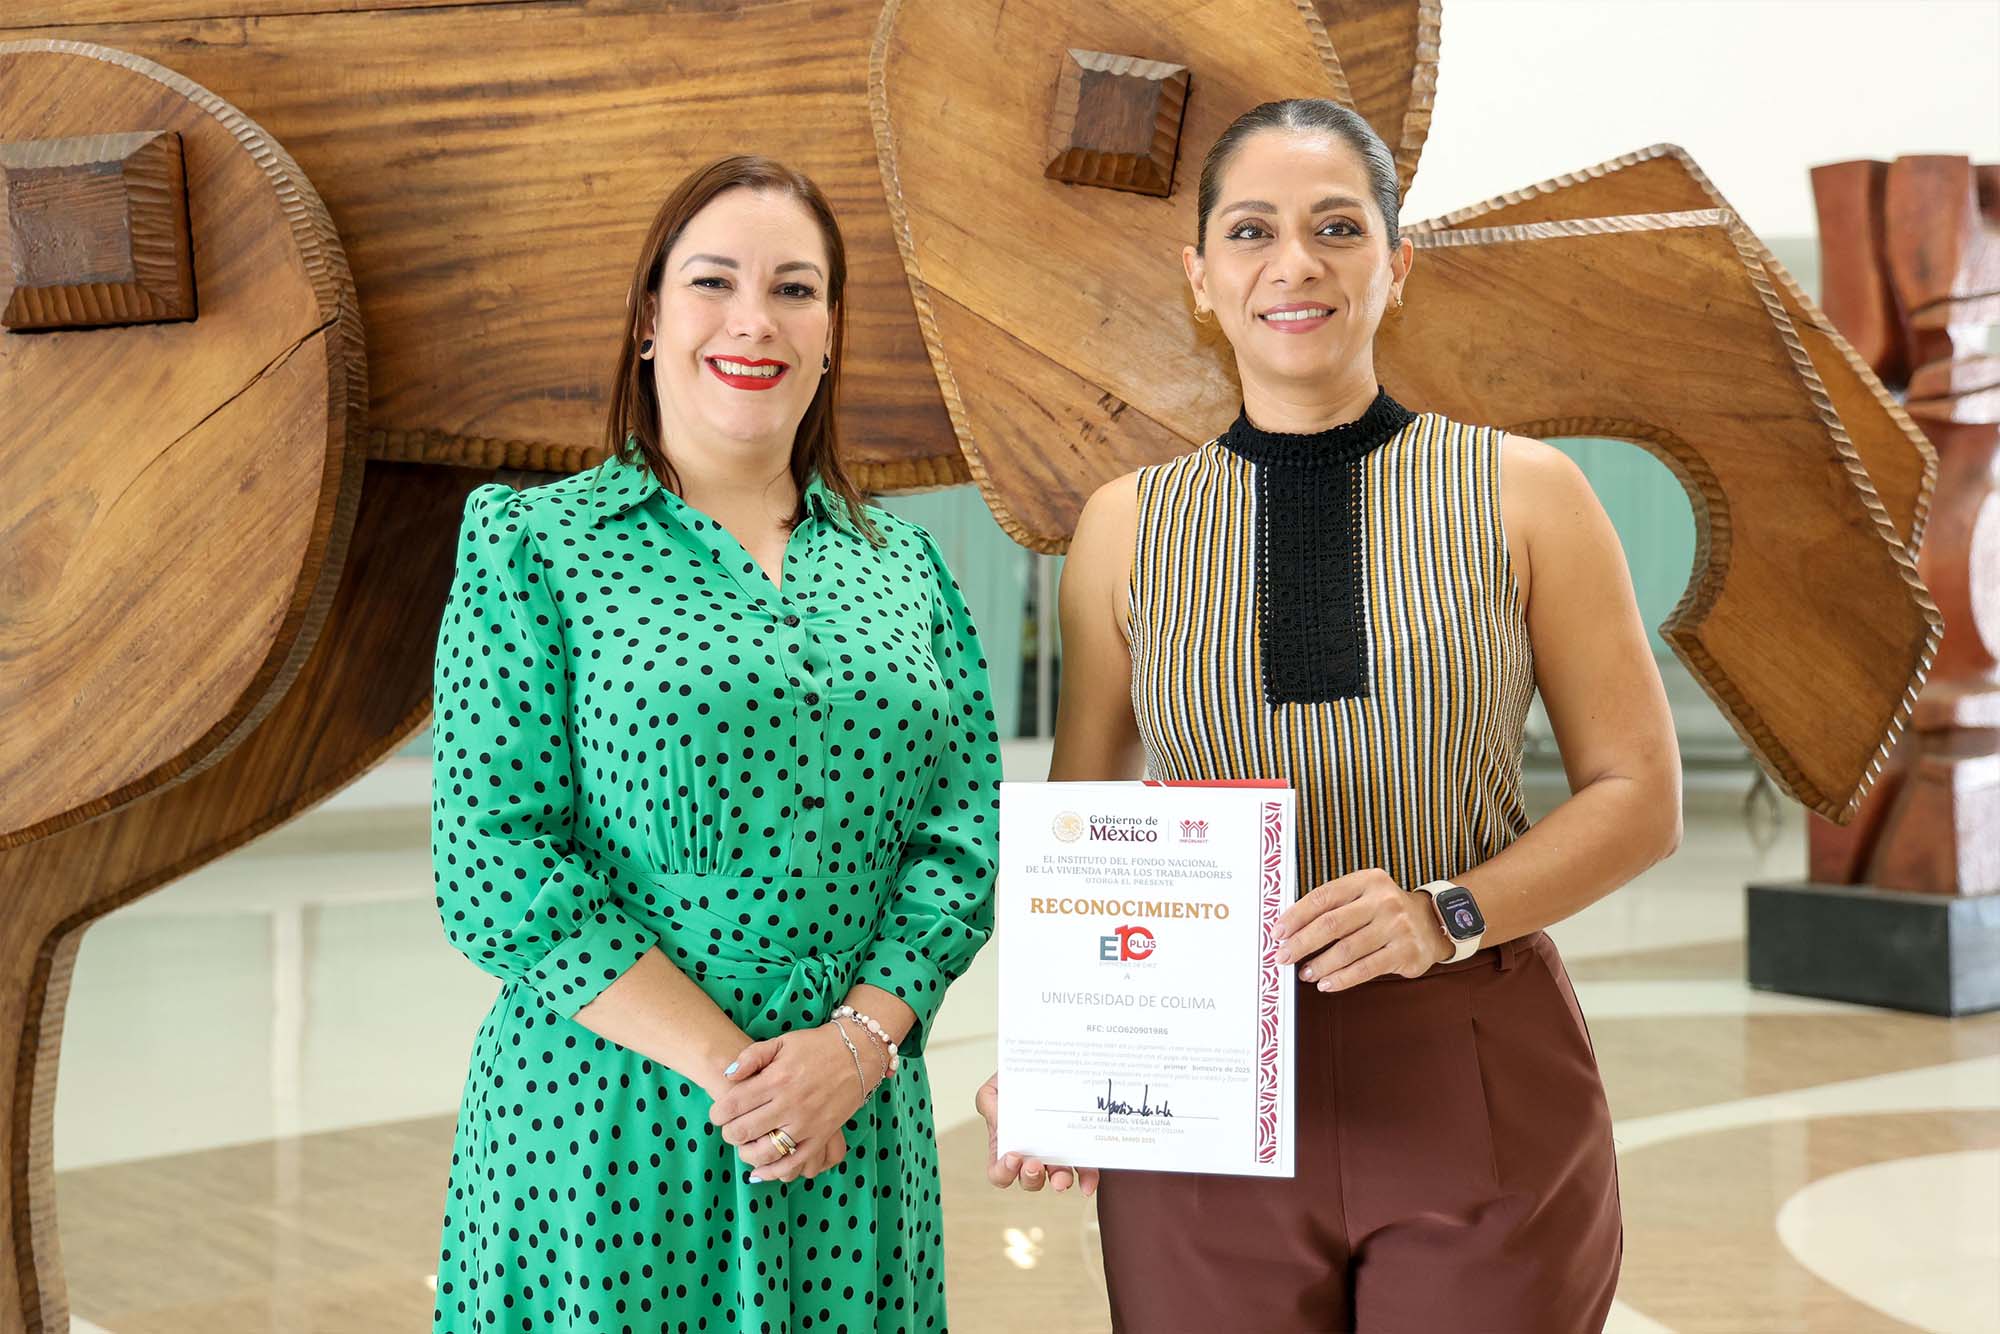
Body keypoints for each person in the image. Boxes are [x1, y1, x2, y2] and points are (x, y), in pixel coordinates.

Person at [975, 100, 1681, 1332]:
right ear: (1199, 277)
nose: (1292, 263)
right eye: (1250, 231)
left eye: (1337, 228)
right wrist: (1057, 1057)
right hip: (1201, 1080)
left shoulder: (1525, 493)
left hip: (1470, 1060)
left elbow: (1639, 795)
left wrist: (1443, 913)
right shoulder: (1125, 526)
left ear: (1394, 266)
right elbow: (1082, 829)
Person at [429, 154, 1001, 1333]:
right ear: (649, 318)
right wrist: (745, 1079)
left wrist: (855, 1046)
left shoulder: (906, 566)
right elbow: (494, 860)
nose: (754, 320)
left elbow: (960, 841)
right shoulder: (536, 544)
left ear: (831, 333)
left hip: (852, 1119)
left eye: (794, 289)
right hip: (611, 1124)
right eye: (712, 282)